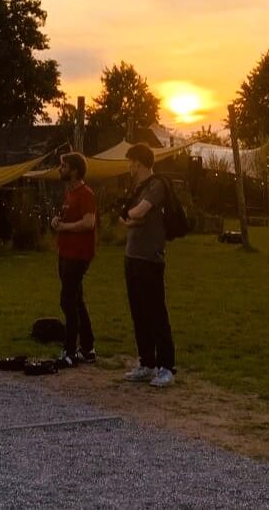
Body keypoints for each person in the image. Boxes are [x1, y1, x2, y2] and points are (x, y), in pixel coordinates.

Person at [119, 143, 176, 387]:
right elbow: (128, 217)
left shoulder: (156, 185)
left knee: (155, 312)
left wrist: (132, 215)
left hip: (150, 258)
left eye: (131, 161)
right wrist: (132, 216)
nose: (129, 166)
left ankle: (166, 366)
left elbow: (139, 212)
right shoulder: (139, 187)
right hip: (132, 256)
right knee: (138, 312)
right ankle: (146, 362)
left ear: (140, 162)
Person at [50, 153, 97, 368]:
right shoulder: (69, 194)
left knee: (67, 300)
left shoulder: (85, 194)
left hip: (78, 255)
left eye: (64, 166)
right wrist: (56, 221)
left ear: (75, 170)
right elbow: (69, 219)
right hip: (65, 252)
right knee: (76, 300)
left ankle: (69, 351)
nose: (60, 169)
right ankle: (87, 348)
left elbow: (89, 223)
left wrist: (65, 227)